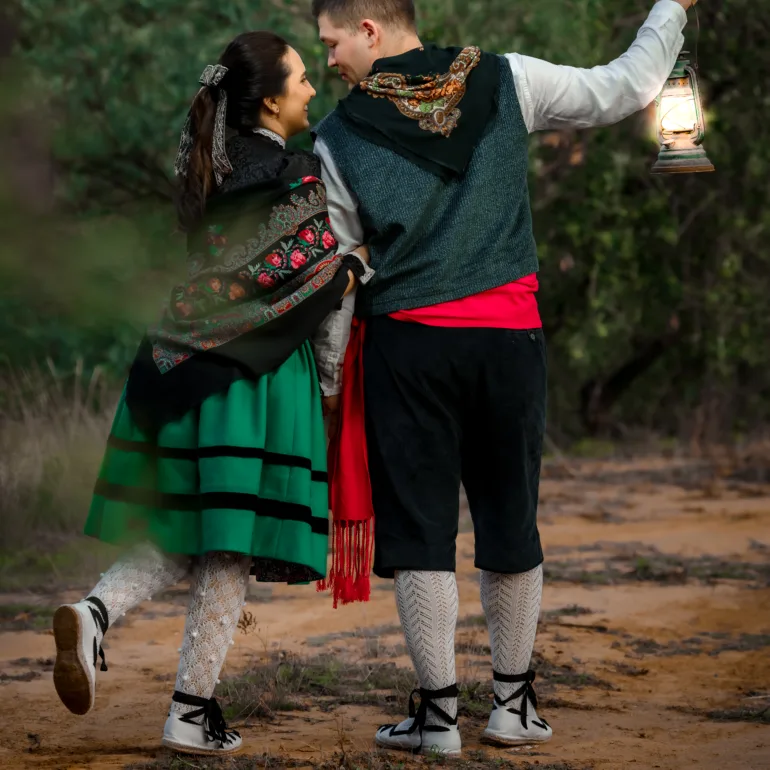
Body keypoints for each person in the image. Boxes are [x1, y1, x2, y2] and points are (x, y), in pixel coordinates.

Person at [309, 0, 696, 756]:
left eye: (330, 42)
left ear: (369, 29)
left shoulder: (335, 137)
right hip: (508, 339)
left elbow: (342, 274)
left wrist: (329, 383)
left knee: (421, 530)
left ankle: (439, 720)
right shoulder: (508, 78)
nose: (327, 60)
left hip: (408, 349)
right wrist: (671, 9)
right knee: (510, 519)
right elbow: (626, 86)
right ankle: (513, 708)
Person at [51, 31, 370, 757]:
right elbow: (319, 287)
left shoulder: (209, 168)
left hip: (174, 364)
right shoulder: (295, 176)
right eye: (300, 79)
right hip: (255, 379)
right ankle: (191, 712)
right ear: (270, 101)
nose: (312, 89)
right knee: (229, 549)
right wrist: (332, 365)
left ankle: (94, 611)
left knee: (182, 530)